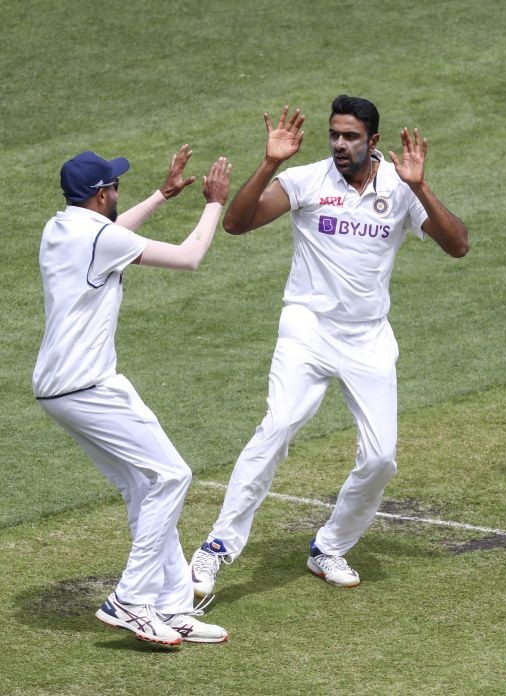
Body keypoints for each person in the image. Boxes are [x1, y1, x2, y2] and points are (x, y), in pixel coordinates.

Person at [189, 96, 469, 595]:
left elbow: (458, 245)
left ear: (373, 142)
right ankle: (216, 548)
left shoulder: (400, 189)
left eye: (351, 137)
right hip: (308, 329)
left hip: (368, 336)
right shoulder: (307, 180)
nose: (340, 145)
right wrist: (272, 161)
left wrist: (421, 187)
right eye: (334, 135)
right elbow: (236, 223)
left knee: (382, 458)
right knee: (276, 428)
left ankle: (329, 546)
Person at [33, 147, 233, 646]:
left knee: (143, 487)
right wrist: (214, 203)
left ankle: (171, 606)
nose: (118, 192)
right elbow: (188, 257)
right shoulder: (99, 235)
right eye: (114, 187)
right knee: (172, 474)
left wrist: (162, 195)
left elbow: (113, 234)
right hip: (89, 386)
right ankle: (129, 599)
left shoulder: (60, 227)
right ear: (102, 195)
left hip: (61, 389)